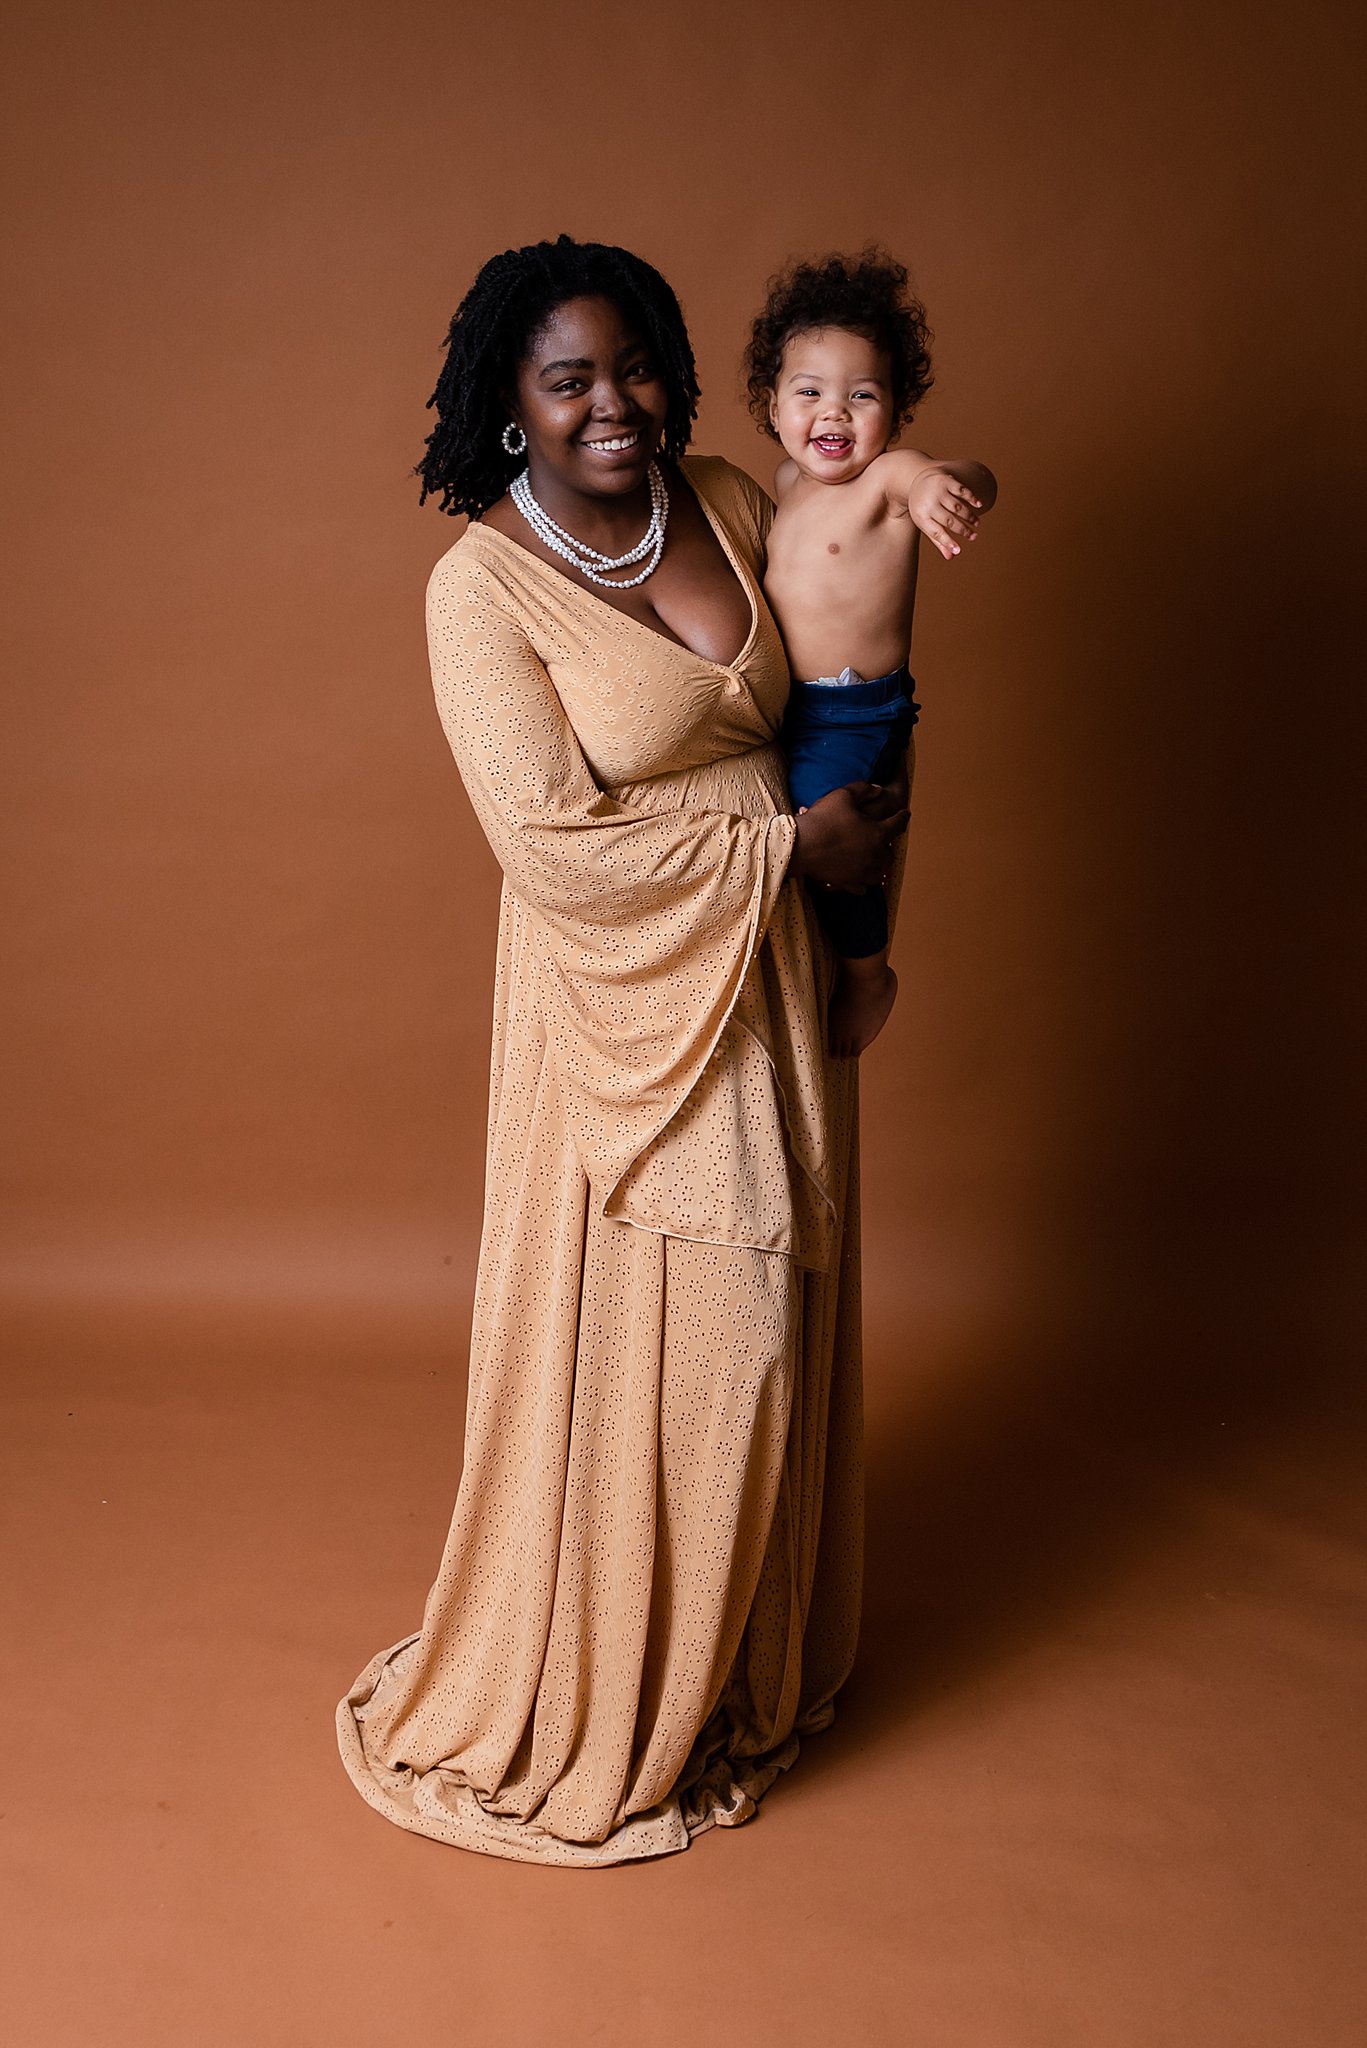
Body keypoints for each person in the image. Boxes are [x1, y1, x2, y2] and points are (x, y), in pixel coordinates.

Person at [336, 236, 908, 1867]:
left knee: (777, 1325)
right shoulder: (479, 584)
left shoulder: (731, 497)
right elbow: (550, 844)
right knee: (697, 1326)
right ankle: (617, 1686)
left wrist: (867, 921)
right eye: (568, 376)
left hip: (777, 970)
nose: (613, 404)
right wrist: (793, 854)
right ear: (508, 401)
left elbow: (860, 678)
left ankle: (734, 1659)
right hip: (627, 1001)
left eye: (636, 363)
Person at [746, 251, 999, 1056]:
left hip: (855, 707)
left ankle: (867, 974)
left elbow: (976, 475)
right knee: (758, 820)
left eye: (863, 395)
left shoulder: (889, 477)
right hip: (790, 704)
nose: (835, 413)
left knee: (828, 826)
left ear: (895, 410)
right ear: (772, 403)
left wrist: (939, 488)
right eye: (810, 392)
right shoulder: (787, 481)